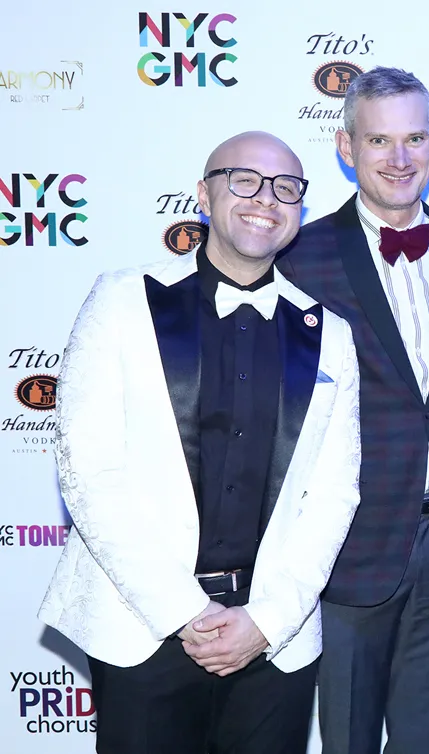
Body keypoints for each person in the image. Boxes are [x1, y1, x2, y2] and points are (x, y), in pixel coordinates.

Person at [39, 131, 361, 754]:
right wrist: (185, 611)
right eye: (244, 180)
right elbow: (89, 472)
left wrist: (267, 619)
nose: (265, 199)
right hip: (144, 625)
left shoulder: (330, 333)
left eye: (285, 188)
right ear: (204, 195)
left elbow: (334, 494)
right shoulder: (121, 301)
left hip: (274, 640)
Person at [276, 67, 429, 754]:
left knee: (425, 741)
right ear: (346, 147)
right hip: (348, 545)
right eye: (379, 141)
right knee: (346, 740)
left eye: (414, 139)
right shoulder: (299, 259)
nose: (399, 158)